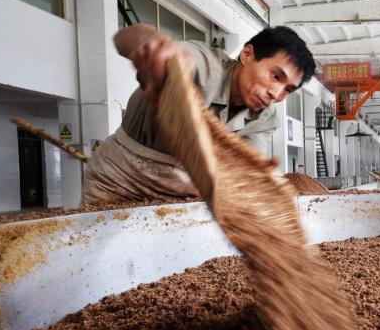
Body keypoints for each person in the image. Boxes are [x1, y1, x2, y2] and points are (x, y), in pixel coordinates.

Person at [82, 23, 316, 205]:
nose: (276, 94)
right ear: (247, 55)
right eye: (276, 76)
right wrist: (151, 44)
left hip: (184, 188)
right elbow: (135, 40)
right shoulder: (203, 67)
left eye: (288, 89)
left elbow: (239, 167)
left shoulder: (267, 117)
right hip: (118, 175)